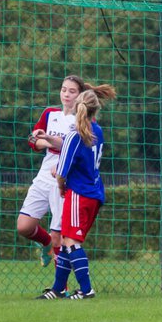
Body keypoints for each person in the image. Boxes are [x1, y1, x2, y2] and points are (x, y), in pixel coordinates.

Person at [38, 85, 115, 300]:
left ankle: (86, 289)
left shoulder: (75, 135)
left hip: (79, 194)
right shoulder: (96, 131)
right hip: (94, 193)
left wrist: (61, 186)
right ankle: (57, 289)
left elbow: (62, 171)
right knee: (66, 241)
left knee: (71, 243)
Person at [17, 76, 84, 267]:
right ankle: (44, 243)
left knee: (59, 236)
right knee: (24, 226)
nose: (66, 94)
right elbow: (32, 140)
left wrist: (48, 140)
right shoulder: (50, 114)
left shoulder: (82, 118)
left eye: (72, 91)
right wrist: (45, 140)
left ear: (79, 95)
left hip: (65, 177)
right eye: (64, 90)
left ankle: (60, 288)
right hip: (44, 175)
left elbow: (74, 146)